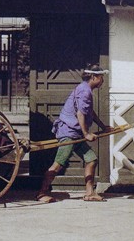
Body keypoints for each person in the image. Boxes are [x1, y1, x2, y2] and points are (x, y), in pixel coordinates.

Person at [36, 63, 110, 203]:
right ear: (94, 77)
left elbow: (89, 112)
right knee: (58, 164)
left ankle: (90, 192)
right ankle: (42, 193)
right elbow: (80, 113)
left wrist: (103, 126)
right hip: (69, 132)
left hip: (75, 132)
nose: (102, 81)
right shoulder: (85, 91)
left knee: (91, 159)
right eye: (101, 77)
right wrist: (86, 133)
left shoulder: (85, 88)